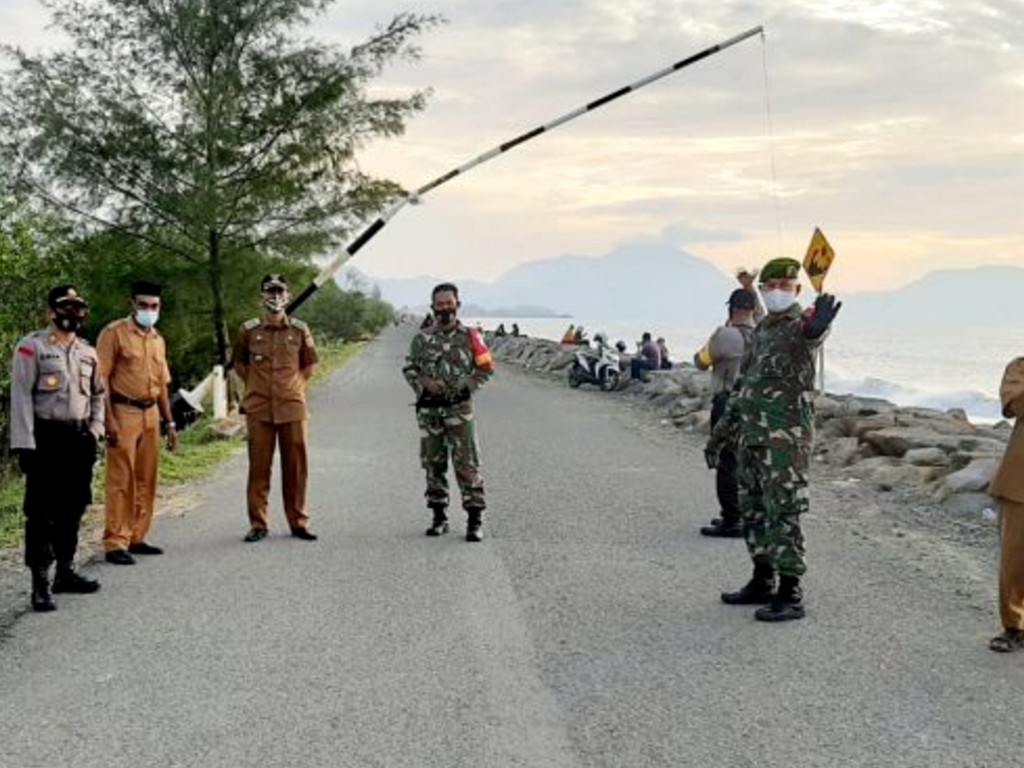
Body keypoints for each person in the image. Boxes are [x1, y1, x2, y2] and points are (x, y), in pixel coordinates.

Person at [706, 258, 841, 622]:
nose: (779, 290)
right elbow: (744, 384)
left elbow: (812, 334)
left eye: (786, 284)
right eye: (772, 285)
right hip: (751, 436)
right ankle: (762, 579)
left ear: (796, 289)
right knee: (753, 511)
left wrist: (818, 325)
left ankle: (790, 590)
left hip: (785, 442)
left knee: (783, 512)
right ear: (764, 290)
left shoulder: (800, 325)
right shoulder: (763, 329)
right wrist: (721, 433)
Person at [9, 285, 105, 611]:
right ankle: (40, 582)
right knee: (41, 514)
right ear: (51, 311)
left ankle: (66, 571)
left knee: (74, 507)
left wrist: (95, 430)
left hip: (78, 439)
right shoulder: (31, 348)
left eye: (78, 308)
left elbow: (98, 395)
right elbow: (20, 397)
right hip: (44, 440)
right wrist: (24, 444)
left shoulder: (88, 352)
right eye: (66, 307)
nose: (72, 313)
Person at [403, 283, 494, 542]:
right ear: (432, 307)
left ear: (458, 304)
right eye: (440, 304)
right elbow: (409, 369)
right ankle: (439, 517)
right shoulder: (422, 339)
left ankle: (474, 521)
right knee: (434, 464)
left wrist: (466, 386)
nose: (444, 308)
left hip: (460, 412)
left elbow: (485, 368)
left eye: (449, 303)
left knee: (467, 464)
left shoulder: (471, 336)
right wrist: (424, 385)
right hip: (430, 413)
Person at [233, 274, 319, 543]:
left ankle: (298, 522)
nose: (275, 296)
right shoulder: (248, 330)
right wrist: (256, 386)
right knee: (259, 468)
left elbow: (310, 364)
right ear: (262, 296)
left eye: (280, 291)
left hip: (292, 407)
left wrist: (293, 387)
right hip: (259, 408)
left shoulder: (299, 329)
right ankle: (258, 524)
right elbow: (239, 364)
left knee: (296, 467)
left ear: (288, 295)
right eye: (269, 292)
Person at [98, 280, 177, 565]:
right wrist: (108, 419)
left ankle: (137, 536)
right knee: (121, 479)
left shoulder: (157, 338)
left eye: (154, 306)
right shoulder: (114, 333)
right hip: (123, 410)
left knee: (147, 477)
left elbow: (163, 384)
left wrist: (169, 422)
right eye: (143, 305)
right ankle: (115, 541)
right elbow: (102, 379)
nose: (148, 310)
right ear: (131, 304)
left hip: (151, 413)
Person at [693, 289, 757, 538]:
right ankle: (743, 512)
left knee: (725, 459)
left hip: (727, 401)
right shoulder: (761, 335)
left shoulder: (724, 335)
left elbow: (700, 361)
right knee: (746, 459)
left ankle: (732, 519)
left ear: (730, 309)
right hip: (753, 404)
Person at [988, 357, 1024, 652]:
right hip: (1019, 483)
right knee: (1015, 559)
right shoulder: (1020, 367)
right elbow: (1013, 405)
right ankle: (1013, 626)